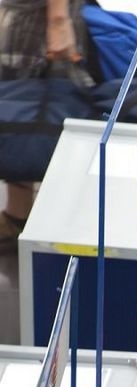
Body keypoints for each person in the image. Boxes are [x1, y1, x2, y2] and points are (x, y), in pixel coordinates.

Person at [0, 0, 90, 251]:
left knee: (27, 108)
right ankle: (19, 214)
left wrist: (58, 20)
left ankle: (54, 220)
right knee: (22, 111)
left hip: (37, 17)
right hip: (29, 13)